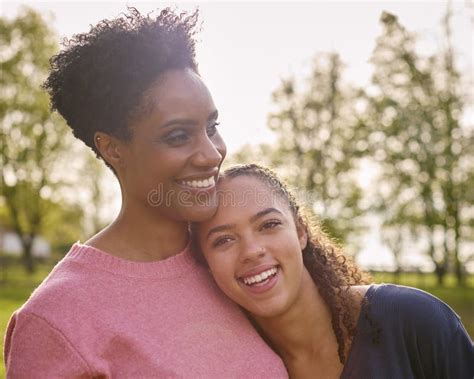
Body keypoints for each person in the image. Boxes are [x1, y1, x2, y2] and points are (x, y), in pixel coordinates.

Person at [3, 9, 287, 377]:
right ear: (112, 148)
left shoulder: (233, 260)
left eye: (211, 126)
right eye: (178, 136)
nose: (212, 153)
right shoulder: (58, 318)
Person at [195, 164, 474, 379]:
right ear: (206, 265)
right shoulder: (233, 369)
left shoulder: (411, 319)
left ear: (301, 231)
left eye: (268, 225)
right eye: (223, 240)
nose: (252, 250)